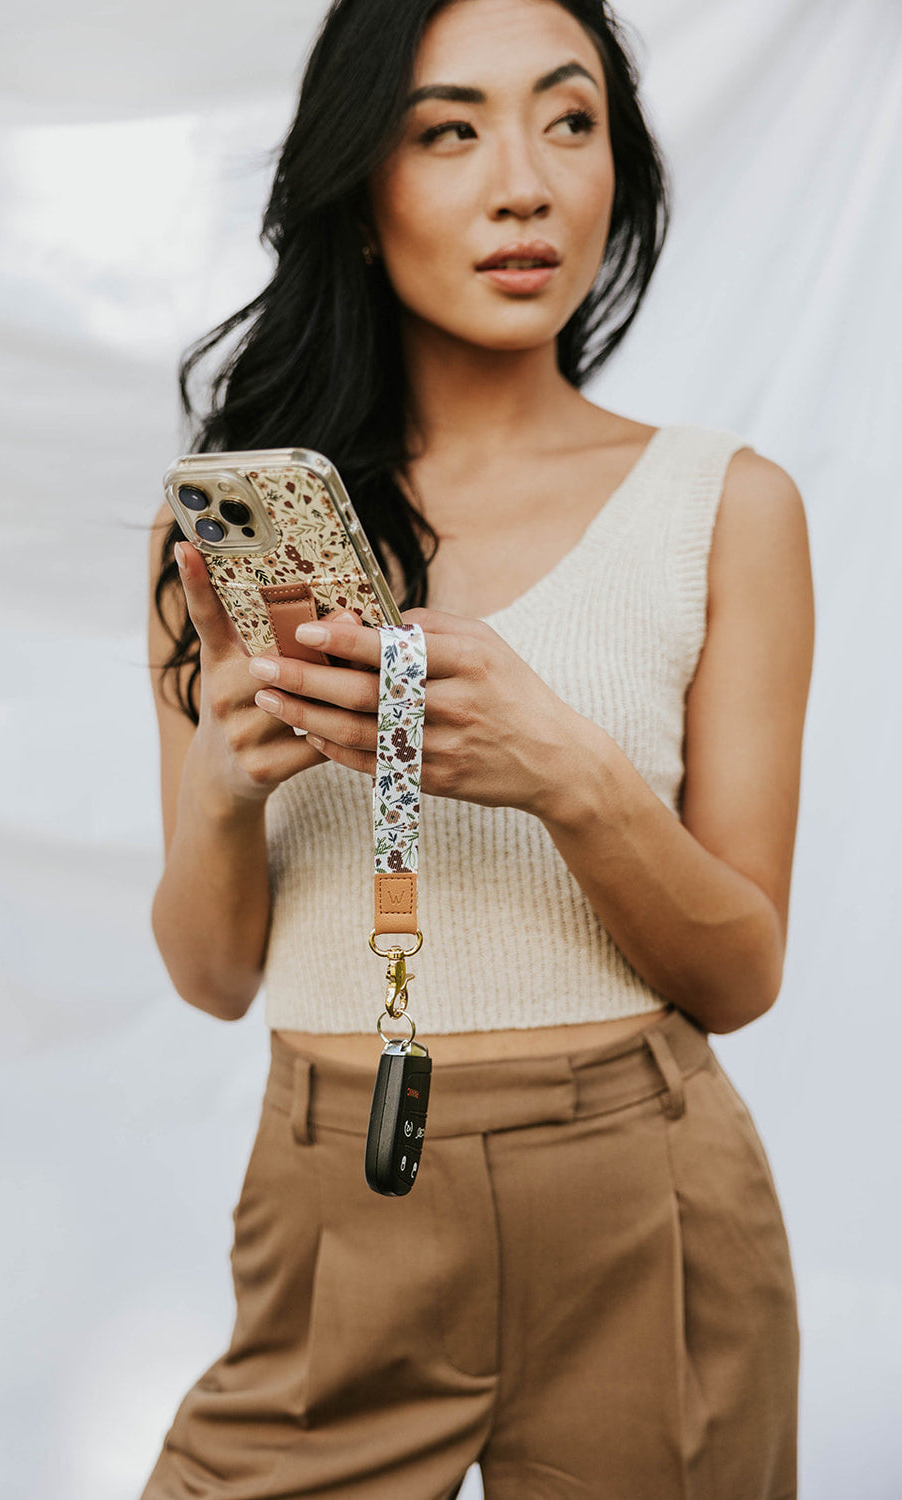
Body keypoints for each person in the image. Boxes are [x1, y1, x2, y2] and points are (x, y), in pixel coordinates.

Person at [141, 0, 813, 1495]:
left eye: (570, 122)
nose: (526, 185)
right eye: (450, 131)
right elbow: (212, 975)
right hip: (336, 1201)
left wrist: (566, 774)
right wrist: (223, 790)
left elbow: (742, 974)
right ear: (357, 189)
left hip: (642, 1199)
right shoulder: (231, 542)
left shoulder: (727, 507)